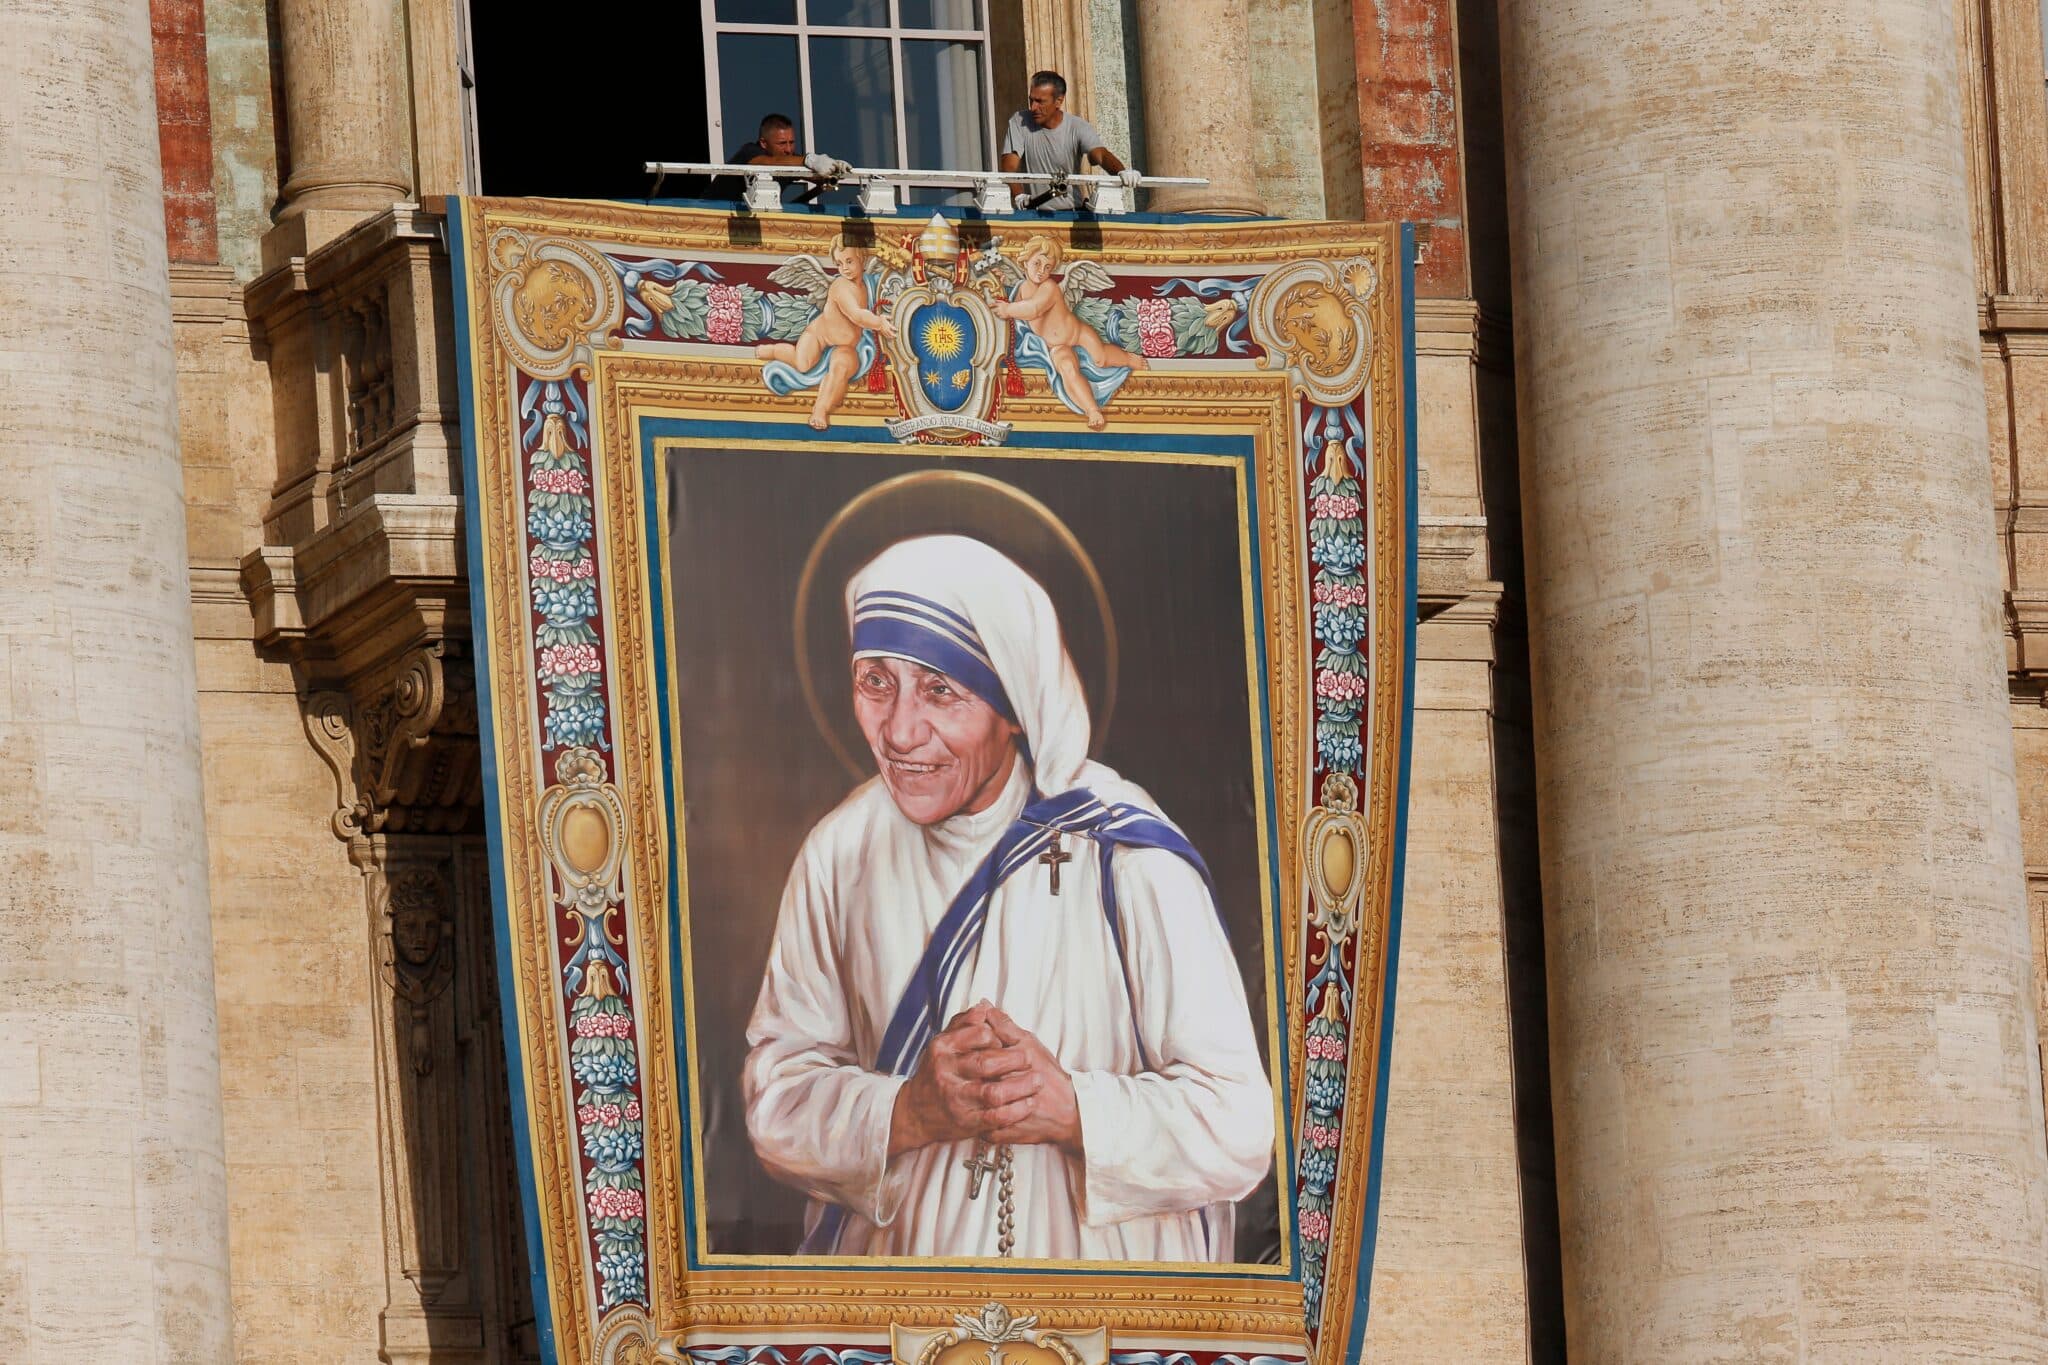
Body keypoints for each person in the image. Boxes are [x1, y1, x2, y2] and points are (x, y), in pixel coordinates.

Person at [743, 534, 1274, 1261]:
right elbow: (775, 1104)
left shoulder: (1126, 854)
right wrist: (908, 1110)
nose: (899, 730)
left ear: (1015, 703)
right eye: (875, 681)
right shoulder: (840, 855)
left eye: (940, 690)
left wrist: (1076, 1108)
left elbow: (1241, 1126)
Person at [993, 234, 1148, 430]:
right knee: (1067, 368)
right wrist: (998, 282)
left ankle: (1127, 358)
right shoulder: (1020, 288)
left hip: (1078, 334)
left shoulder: (1049, 288)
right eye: (1037, 263)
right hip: (1055, 346)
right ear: (1024, 261)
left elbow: (1034, 309)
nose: (1041, 271)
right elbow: (1011, 307)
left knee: (1100, 357)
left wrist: (1008, 310)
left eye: (1047, 267)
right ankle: (1091, 409)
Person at [755, 234, 891, 429]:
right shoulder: (840, 286)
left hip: (847, 345)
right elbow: (857, 315)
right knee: (802, 363)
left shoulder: (869, 285)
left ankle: (821, 408)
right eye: (839, 263)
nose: (844, 268)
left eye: (849, 261)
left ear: (863, 258)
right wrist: (879, 323)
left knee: (840, 368)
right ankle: (775, 350)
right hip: (819, 336)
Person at [999, 71, 1143, 211]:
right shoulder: (1019, 121)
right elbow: (1009, 167)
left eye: (1040, 101)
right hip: (1033, 214)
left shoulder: (1077, 126)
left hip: (1071, 214)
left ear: (1059, 101)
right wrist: (1019, 195)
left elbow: (1101, 154)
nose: (1033, 107)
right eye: (1031, 100)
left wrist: (1122, 172)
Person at [719, 113, 850, 201]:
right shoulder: (750, 151)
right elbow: (764, 163)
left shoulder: (790, 159)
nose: (788, 149)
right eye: (782, 143)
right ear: (764, 143)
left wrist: (833, 169)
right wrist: (809, 160)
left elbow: (820, 180)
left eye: (791, 142)